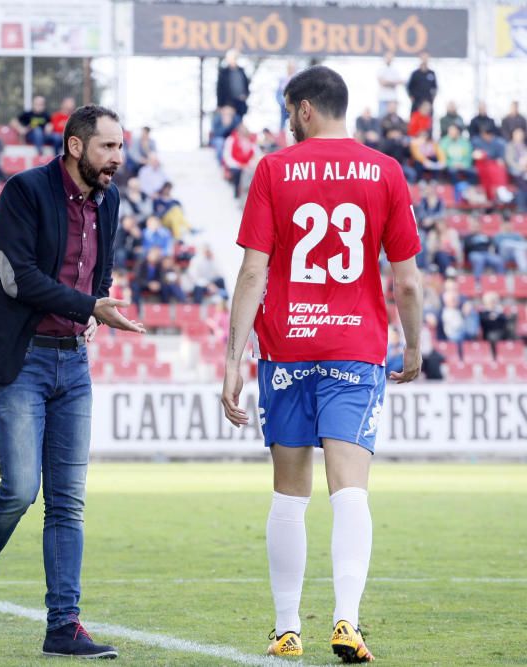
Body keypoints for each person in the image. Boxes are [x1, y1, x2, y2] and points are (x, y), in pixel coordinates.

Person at [221, 66, 422, 663]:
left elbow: (253, 271)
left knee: (289, 495)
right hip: (355, 350)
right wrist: (411, 347)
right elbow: (406, 282)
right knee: (350, 490)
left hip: (288, 346)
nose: (287, 121)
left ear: (304, 108)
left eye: (288, 110)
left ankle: (287, 629)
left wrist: (234, 359)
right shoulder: (385, 171)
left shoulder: (274, 170)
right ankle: (346, 622)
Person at [0, 105, 144, 659]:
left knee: (67, 503)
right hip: (23, 361)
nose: (117, 158)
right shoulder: (25, 191)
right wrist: (90, 305)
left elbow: (100, 270)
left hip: (73, 365)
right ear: (76, 147)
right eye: (108, 147)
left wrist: (92, 312)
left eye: (120, 147)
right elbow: (17, 278)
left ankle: (64, 625)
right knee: (19, 489)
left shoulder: (107, 204)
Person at [223, 122, 259, 197]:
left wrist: (249, 164)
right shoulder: (231, 140)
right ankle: (238, 193)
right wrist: (239, 165)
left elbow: (255, 155)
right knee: (239, 173)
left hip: (248, 166)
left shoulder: (251, 142)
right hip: (235, 166)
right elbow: (227, 157)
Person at [217, 49, 250, 117]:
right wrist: (220, 105)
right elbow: (219, 89)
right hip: (227, 104)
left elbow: (246, 85)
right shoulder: (223, 73)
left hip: (240, 103)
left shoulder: (241, 71)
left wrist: (245, 95)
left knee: (238, 122)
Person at [375, 52, 405, 118]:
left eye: (391, 57)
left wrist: (388, 82)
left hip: (392, 98)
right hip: (383, 98)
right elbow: (382, 82)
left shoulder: (396, 70)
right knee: (382, 119)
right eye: (387, 57)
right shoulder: (381, 69)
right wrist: (393, 82)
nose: (389, 59)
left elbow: (401, 82)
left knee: (393, 119)